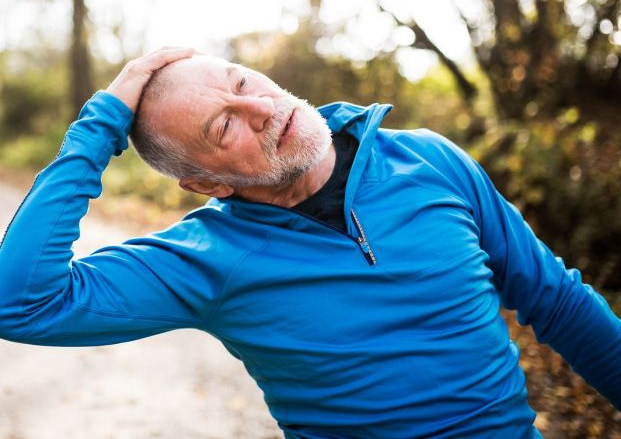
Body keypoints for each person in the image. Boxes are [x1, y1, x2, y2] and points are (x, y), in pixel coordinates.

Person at [0, 47, 619, 439]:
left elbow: (558, 301)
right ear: (204, 182)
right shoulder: (204, 260)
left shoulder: (428, 160)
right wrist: (100, 123)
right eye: (225, 125)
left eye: (243, 80)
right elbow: (21, 302)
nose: (261, 107)